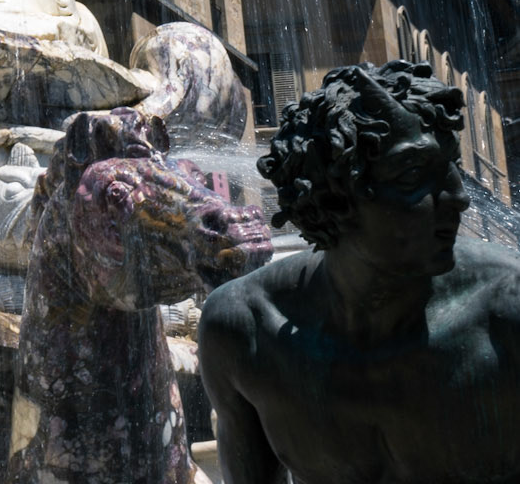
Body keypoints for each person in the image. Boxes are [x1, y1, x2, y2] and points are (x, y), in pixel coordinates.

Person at [198, 60, 520, 484]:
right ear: (334, 194)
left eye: (450, 167)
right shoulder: (243, 331)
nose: (458, 197)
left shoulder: (506, 314)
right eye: (412, 174)